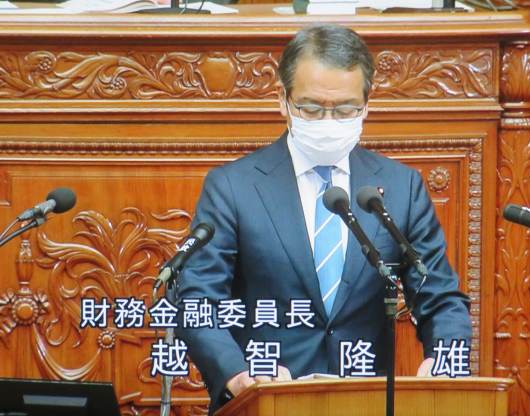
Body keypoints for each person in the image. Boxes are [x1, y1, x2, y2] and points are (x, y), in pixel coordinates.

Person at [175, 23, 472, 414]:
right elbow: (197, 300)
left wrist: (446, 360)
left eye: (346, 109)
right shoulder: (232, 187)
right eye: (312, 108)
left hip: (364, 404)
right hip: (265, 404)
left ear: (367, 105)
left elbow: (441, 297)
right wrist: (238, 376)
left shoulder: (401, 188)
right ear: (282, 100)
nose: (329, 121)